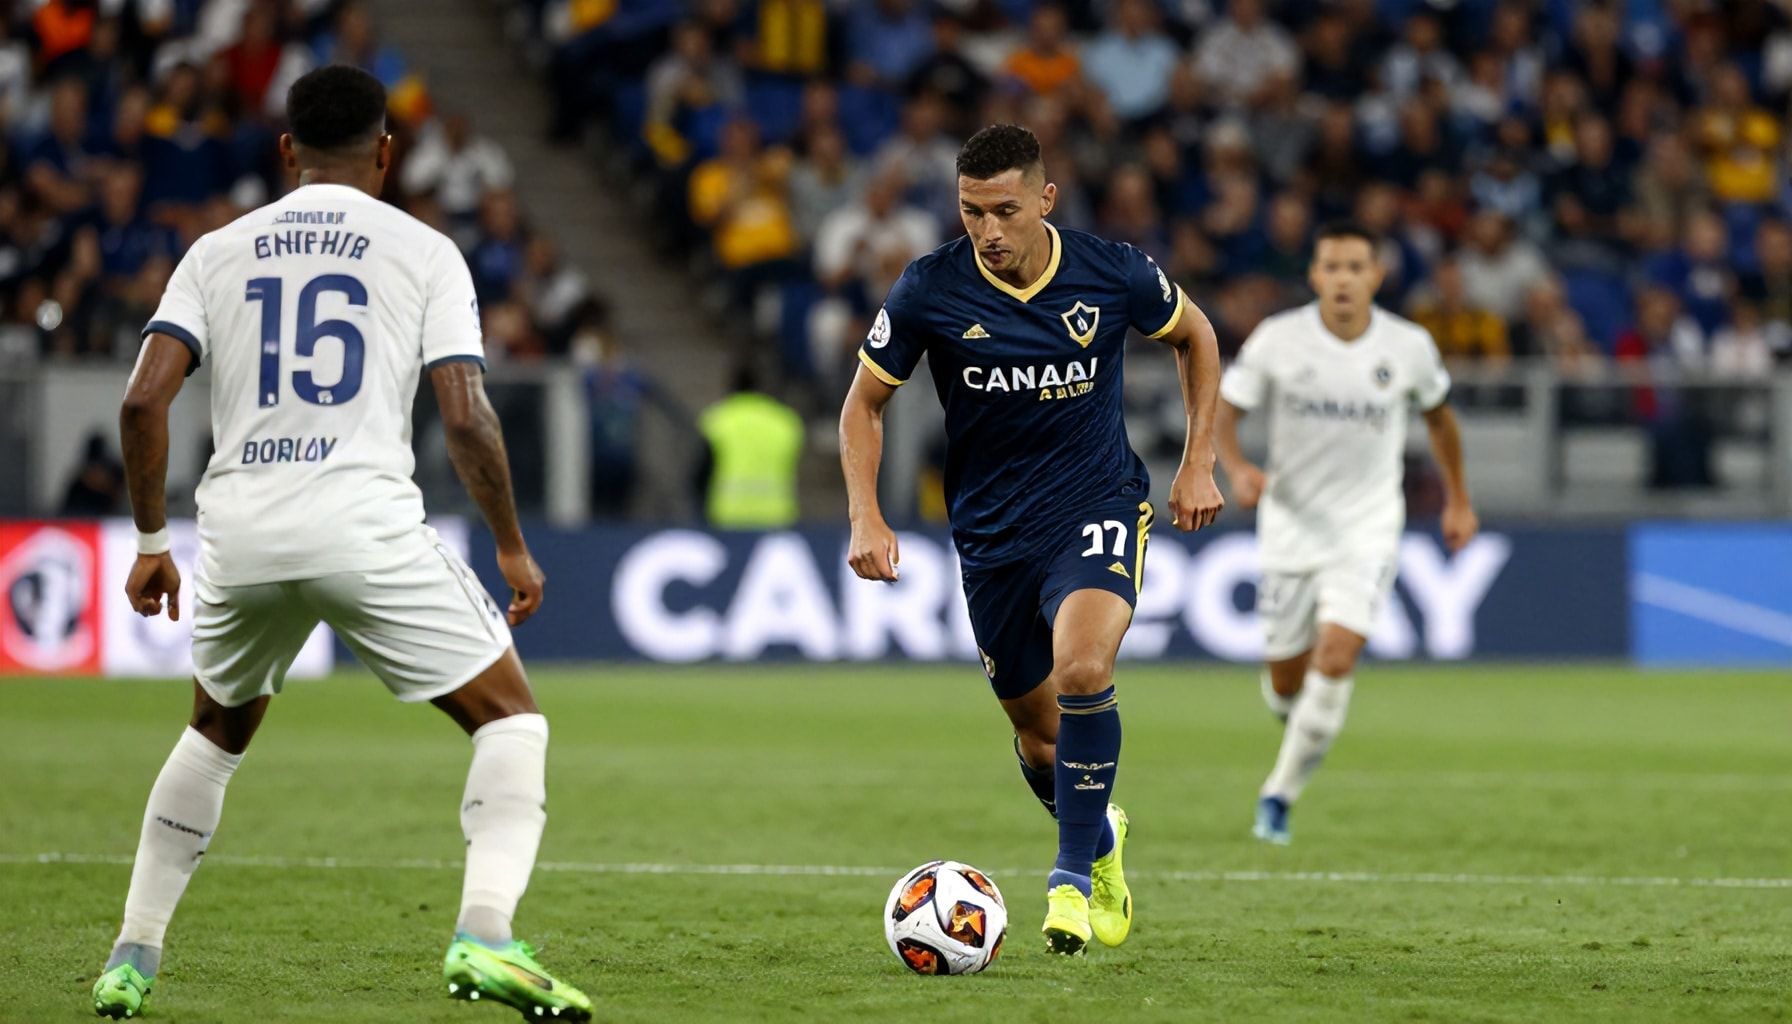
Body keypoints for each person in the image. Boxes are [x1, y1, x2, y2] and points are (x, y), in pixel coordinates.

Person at [91, 67, 592, 1022]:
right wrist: (513, 546)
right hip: (361, 523)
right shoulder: (425, 250)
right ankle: (486, 933)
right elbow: (467, 416)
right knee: (512, 723)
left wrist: (153, 540)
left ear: (287, 153)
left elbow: (142, 400)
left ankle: (130, 958)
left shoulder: (215, 251)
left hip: (237, 533)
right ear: (386, 153)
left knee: (213, 736)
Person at [840, 124, 1225, 956]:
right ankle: (1102, 837)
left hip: (1097, 502)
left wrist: (1199, 462)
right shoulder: (928, 289)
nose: (988, 231)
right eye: (972, 212)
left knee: (1086, 667)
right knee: (1038, 734)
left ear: (1044, 200)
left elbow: (1197, 335)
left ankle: (1070, 884)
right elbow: (862, 404)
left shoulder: (1110, 271)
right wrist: (865, 514)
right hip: (990, 534)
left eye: (1005, 211)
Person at [1214, 221, 1478, 846]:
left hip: (1367, 527)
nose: (1343, 279)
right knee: (1286, 685)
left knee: (1336, 655)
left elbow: (1441, 422)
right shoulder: (1279, 340)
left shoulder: (1408, 346)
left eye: (1356, 267)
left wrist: (1460, 500)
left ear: (1375, 277)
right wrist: (1237, 467)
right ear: (1314, 276)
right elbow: (1226, 411)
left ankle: (1277, 796)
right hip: (1290, 526)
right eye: (1331, 267)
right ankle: (1304, 728)